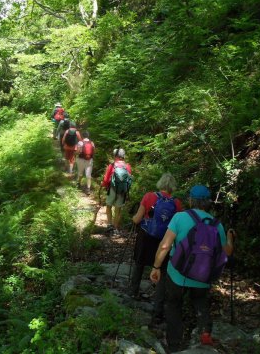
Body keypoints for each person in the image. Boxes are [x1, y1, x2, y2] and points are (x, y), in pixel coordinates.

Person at [149, 185, 235, 352]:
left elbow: (165, 246)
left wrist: (156, 267)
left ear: (190, 200)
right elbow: (227, 252)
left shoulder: (179, 218)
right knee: (200, 302)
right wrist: (231, 239)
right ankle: (204, 332)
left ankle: (174, 345)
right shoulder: (217, 225)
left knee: (174, 305)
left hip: (177, 274)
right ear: (208, 203)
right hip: (203, 276)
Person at [130, 173, 183, 322]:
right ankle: (157, 309)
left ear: (160, 183)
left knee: (140, 263)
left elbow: (137, 219)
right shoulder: (177, 203)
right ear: (173, 187)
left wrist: (133, 219)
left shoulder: (149, 197)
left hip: (146, 237)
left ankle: (133, 292)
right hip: (164, 240)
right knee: (162, 272)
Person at [101, 148, 132, 234]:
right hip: (122, 191)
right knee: (118, 209)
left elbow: (106, 179)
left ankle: (109, 225)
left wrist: (103, 184)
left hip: (112, 189)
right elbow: (129, 180)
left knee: (108, 206)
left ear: (115, 156)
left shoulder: (112, 165)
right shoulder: (127, 166)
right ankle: (116, 228)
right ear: (123, 156)